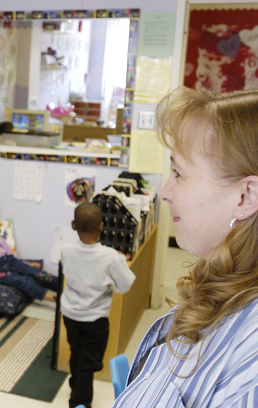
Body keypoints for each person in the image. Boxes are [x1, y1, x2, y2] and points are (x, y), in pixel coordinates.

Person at [113, 87, 258, 407]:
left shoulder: (250, 360)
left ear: (246, 196)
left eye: (178, 172)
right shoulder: (224, 287)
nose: (165, 192)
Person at [60, 201, 135, 408]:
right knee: (88, 363)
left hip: (70, 314)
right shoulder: (110, 257)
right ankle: (79, 402)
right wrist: (121, 261)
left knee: (77, 351)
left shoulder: (66, 250)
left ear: (74, 225)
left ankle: (75, 383)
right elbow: (124, 286)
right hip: (95, 319)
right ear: (102, 226)